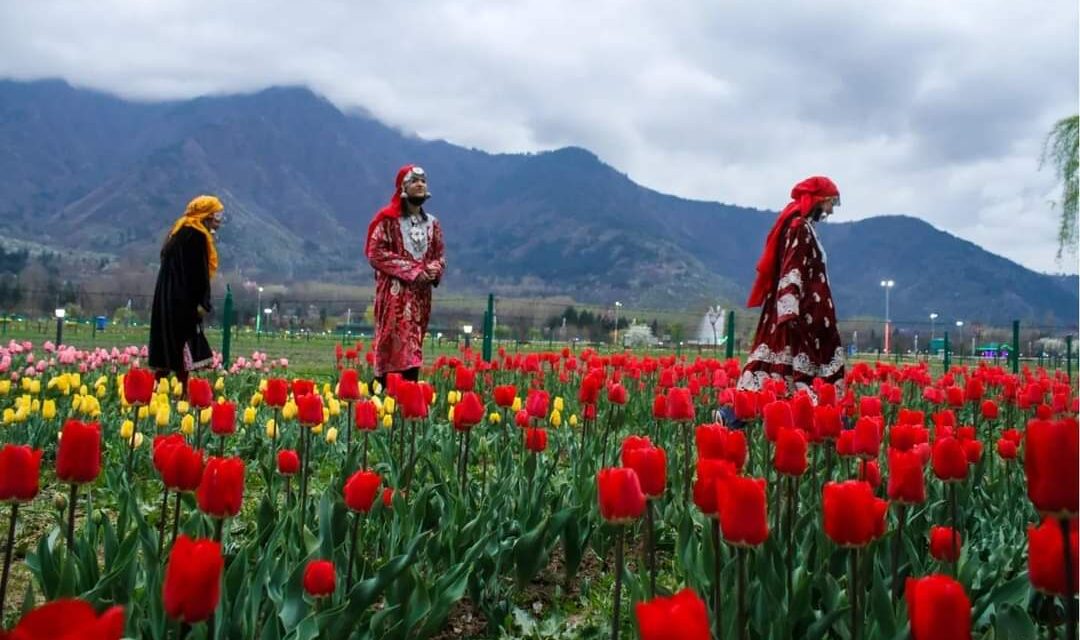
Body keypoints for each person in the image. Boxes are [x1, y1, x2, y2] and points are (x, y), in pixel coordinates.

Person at [735, 176, 845, 399]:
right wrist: (789, 313)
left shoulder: (804, 227)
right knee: (791, 371)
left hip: (810, 314)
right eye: (831, 203)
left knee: (786, 371)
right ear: (820, 199)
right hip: (802, 315)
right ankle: (735, 416)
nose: (831, 211)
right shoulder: (799, 228)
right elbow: (792, 269)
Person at [365, 165, 446, 387]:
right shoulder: (387, 221)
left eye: (423, 180)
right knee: (390, 345)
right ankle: (381, 399)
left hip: (421, 297)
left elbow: (439, 255)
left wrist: (434, 270)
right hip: (394, 296)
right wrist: (413, 271)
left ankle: (407, 399)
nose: (420, 184)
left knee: (413, 346)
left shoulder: (433, 224)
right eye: (414, 181)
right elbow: (375, 253)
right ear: (403, 187)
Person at [148, 195, 223, 387]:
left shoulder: (178, 231)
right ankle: (181, 394)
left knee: (167, 348)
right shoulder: (196, 236)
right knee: (182, 347)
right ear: (205, 216)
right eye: (216, 215)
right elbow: (199, 273)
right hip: (183, 300)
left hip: (166, 298)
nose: (219, 220)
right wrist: (203, 303)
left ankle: (160, 392)